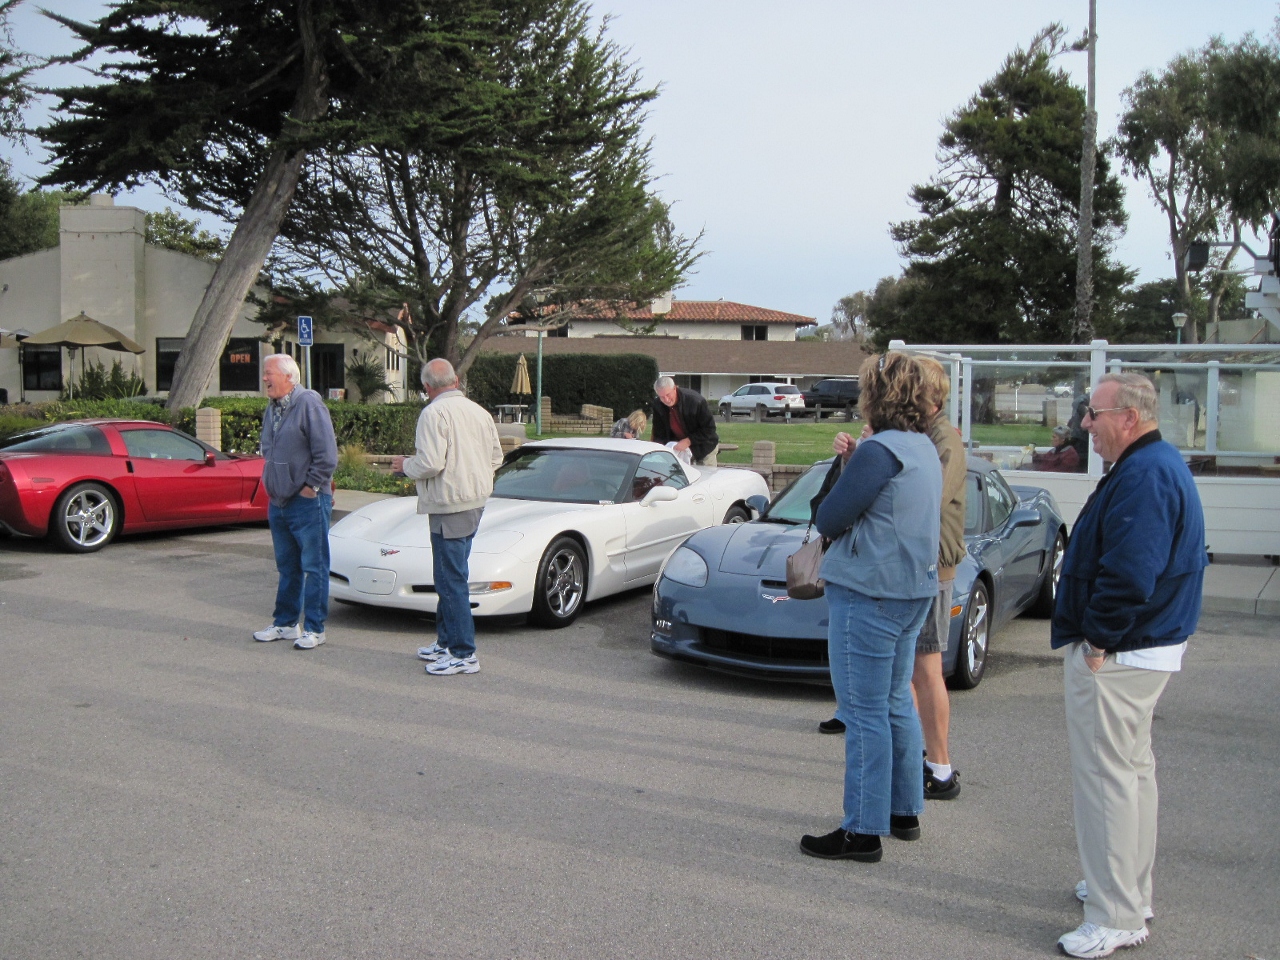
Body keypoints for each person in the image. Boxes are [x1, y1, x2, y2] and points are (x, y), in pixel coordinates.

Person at [1052, 372, 1207, 959]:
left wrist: (1096, 641)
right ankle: (1127, 890)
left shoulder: (1146, 474)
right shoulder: (1153, 464)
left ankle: (1115, 914)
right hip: (1143, 646)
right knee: (1131, 772)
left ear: (1129, 418)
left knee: (1107, 779)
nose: (1085, 425)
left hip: (1122, 651)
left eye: (1093, 414)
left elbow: (1131, 574)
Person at [799, 353, 941, 864]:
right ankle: (904, 811)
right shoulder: (921, 446)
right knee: (894, 703)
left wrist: (851, 463)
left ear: (874, 397)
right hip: (912, 592)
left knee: (862, 713)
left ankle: (862, 830)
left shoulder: (879, 452)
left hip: (870, 593)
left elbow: (830, 516)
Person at [394, 359, 503, 676]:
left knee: (451, 579)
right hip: (474, 501)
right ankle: (446, 642)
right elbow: (496, 457)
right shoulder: (479, 412)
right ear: (455, 380)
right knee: (449, 576)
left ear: (427, 387)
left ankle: (463, 652)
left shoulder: (433, 413)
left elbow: (429, 463)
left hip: (449, 503)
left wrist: (404, 465)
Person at [253, 353, 338, 650]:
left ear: (290, 377)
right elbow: (268, 446)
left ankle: (315, 628)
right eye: (264, 373)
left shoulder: (309, 403)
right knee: (287, 566)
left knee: (314, 566)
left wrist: (311, 486)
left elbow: (327, 455)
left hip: (308, 501)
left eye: (269, 373)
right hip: (279, 501)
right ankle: (286, 623)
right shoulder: (273, 406)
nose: (264, 378)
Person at [650, 376, 719, 466]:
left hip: (704, 446)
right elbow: (659, 432)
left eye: (668, 395)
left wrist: (688, 441)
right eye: (662, 397)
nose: (666, 400)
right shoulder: (658, 405)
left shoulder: (695, 401)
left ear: (675, 388)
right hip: (679, 449)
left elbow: (709, 429)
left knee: (706, 477)